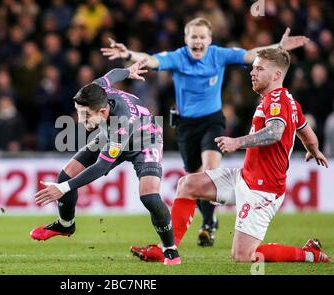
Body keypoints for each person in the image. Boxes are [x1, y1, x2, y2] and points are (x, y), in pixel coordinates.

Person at [101, 17, 310, 253]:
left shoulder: (218, 55)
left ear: (209, 40)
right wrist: (128, 53)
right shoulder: (178, 57)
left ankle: (208, 224)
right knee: (192, 178)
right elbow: (150, 60)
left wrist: (279, 47)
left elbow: (251, 55)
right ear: (186, 39)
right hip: (186, 126)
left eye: (202, 37)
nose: (198, 41)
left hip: (212, 121)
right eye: (194, 37)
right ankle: (195, 229)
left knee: (210, 169)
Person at [140, 48, 331, 263]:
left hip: (262, 190)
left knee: (243, 256)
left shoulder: (277, 101)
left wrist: (237, 142)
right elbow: (307, 133)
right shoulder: (288, 102)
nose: (252, 72)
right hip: (245, 177)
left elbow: (276, 132)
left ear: (277, 75)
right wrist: (313, 150)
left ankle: (310, 254)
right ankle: (166, 249)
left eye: (259, 68)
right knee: (187, 184)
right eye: (253, 68)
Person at [31, 59, 181, 265]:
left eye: (85, 114)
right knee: (66, 174)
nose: (80, 119)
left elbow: (101, 167)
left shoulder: (122, 121)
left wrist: (63, 189)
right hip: (110, 135)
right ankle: (66, 225)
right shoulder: (96, 89)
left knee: (150, 197)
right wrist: (128, 70)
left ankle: (170, 249)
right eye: (78, 112)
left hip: (146, 140)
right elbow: (113, 74)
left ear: (102, 111)